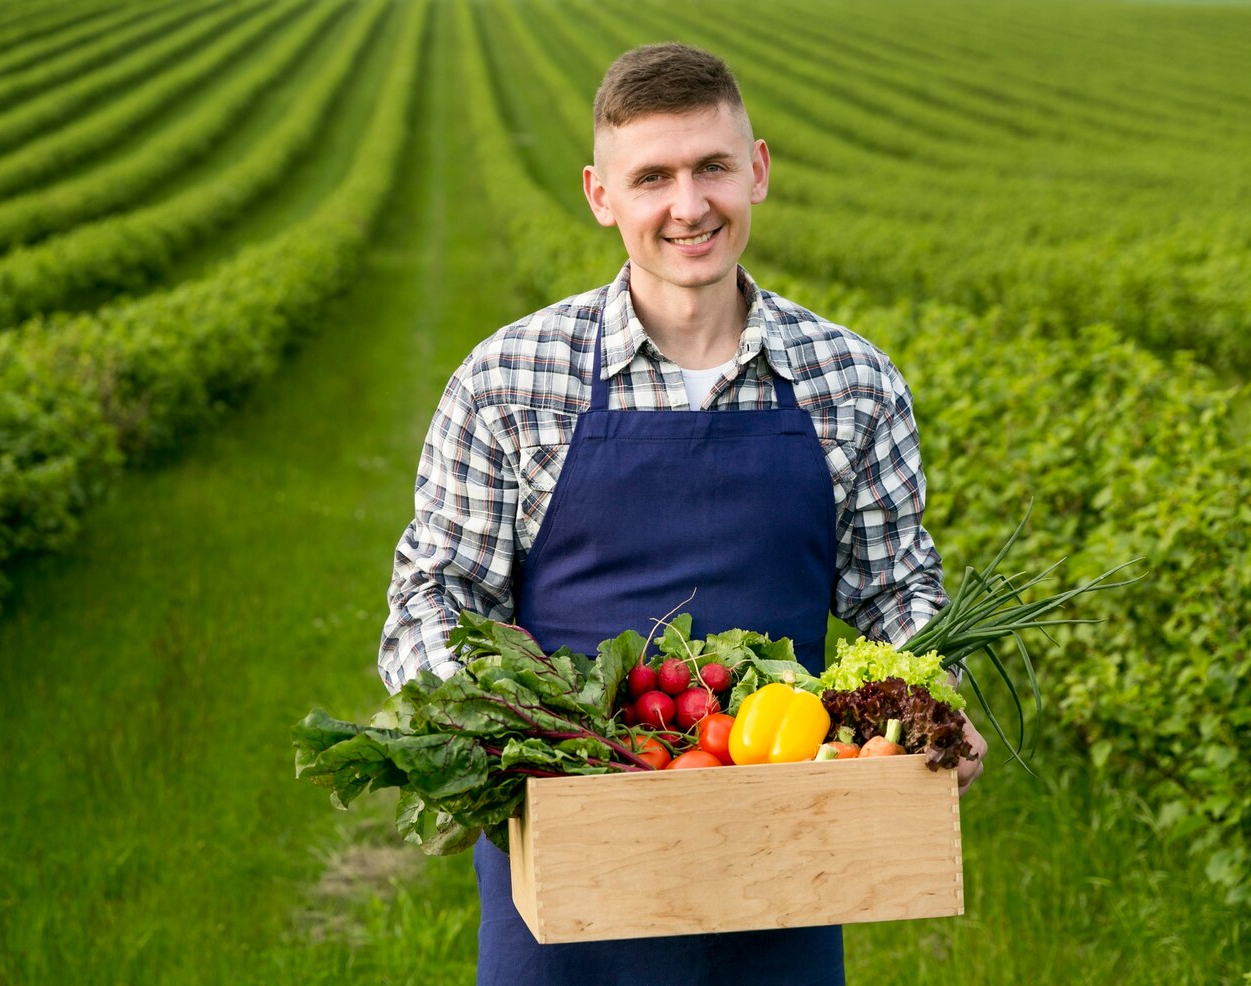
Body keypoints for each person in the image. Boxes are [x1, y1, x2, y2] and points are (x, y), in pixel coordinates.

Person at [379, 41, 985, 986]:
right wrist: (499, 732)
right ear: (599, 194)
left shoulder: (851, 382)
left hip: (784, 848)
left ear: (758, 169)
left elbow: (895, 587)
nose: (688, 205)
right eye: (651, 176)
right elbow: (432, 595)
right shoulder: (507, 381)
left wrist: (934, 705)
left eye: (711, 167)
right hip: (569, 856)